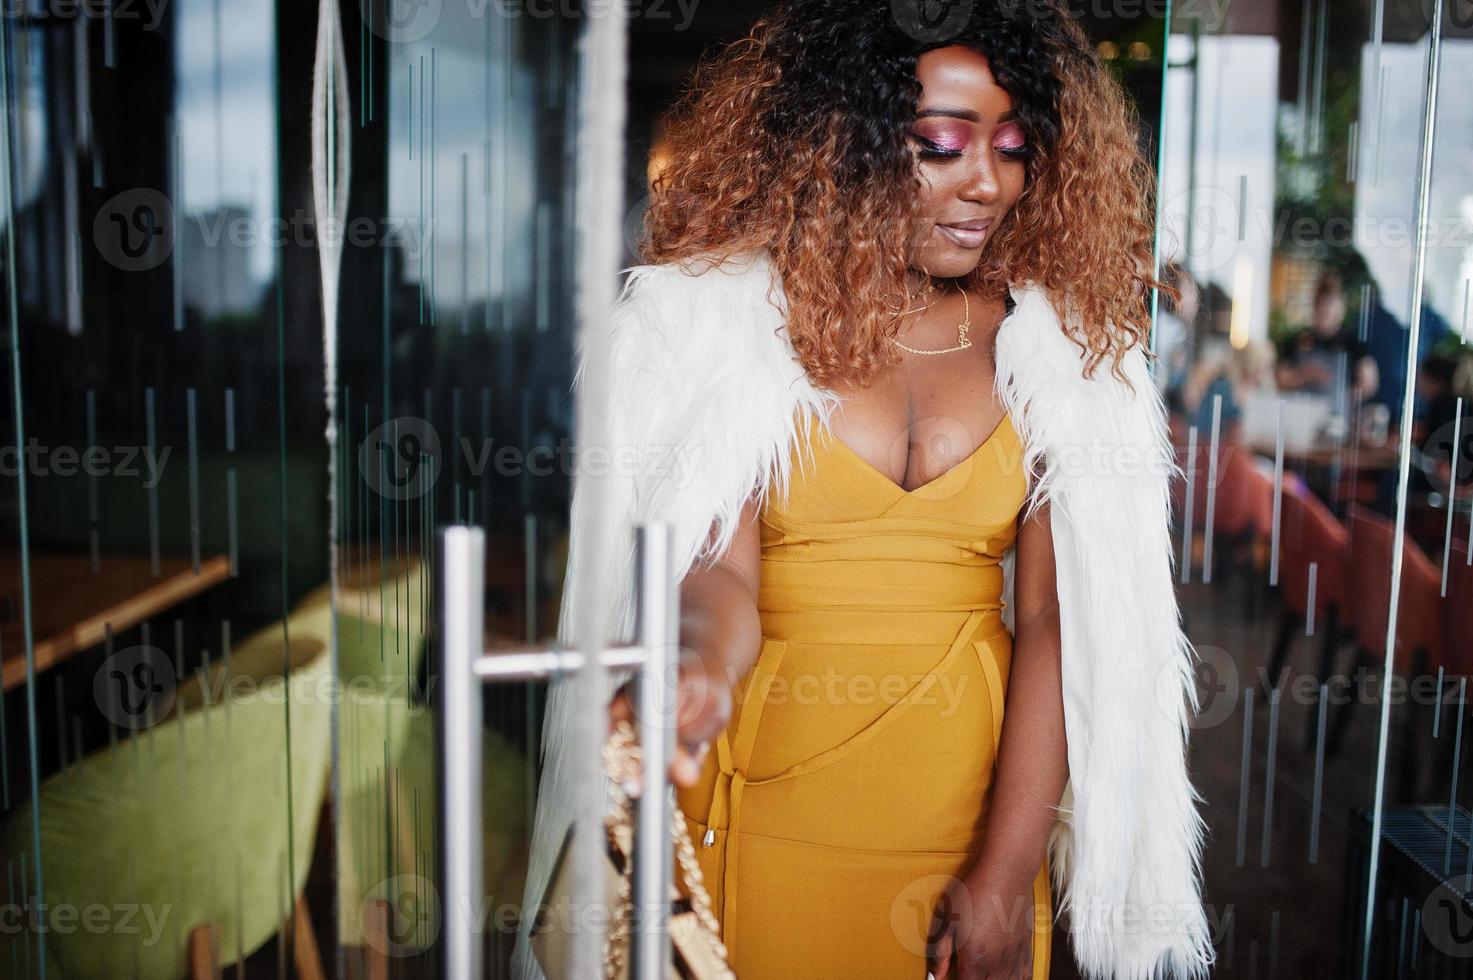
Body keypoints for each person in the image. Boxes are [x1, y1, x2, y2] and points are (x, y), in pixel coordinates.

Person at [515, 3, 1212, 979]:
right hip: (769, 794)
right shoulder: (741, 328)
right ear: (840, 140)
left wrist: (1009, 871)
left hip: (973, 806)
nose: (986, 182)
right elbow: (717, 567)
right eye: (942, 144)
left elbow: (1060, 615)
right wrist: (697, 663)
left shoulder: (1058, 354)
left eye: (1011, 148)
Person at [1275, 271, 1378, 421]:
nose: (1326, 315)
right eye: (1322, 309)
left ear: (1340, 310)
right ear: (1315, 308)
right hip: (1301, 418)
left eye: (1330, 310)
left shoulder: (1352, 343)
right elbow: (1281, 380)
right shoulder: (1299, 340)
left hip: (1335, 421)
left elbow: (1369, 382)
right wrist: (1305, 374)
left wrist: (1342, 398)